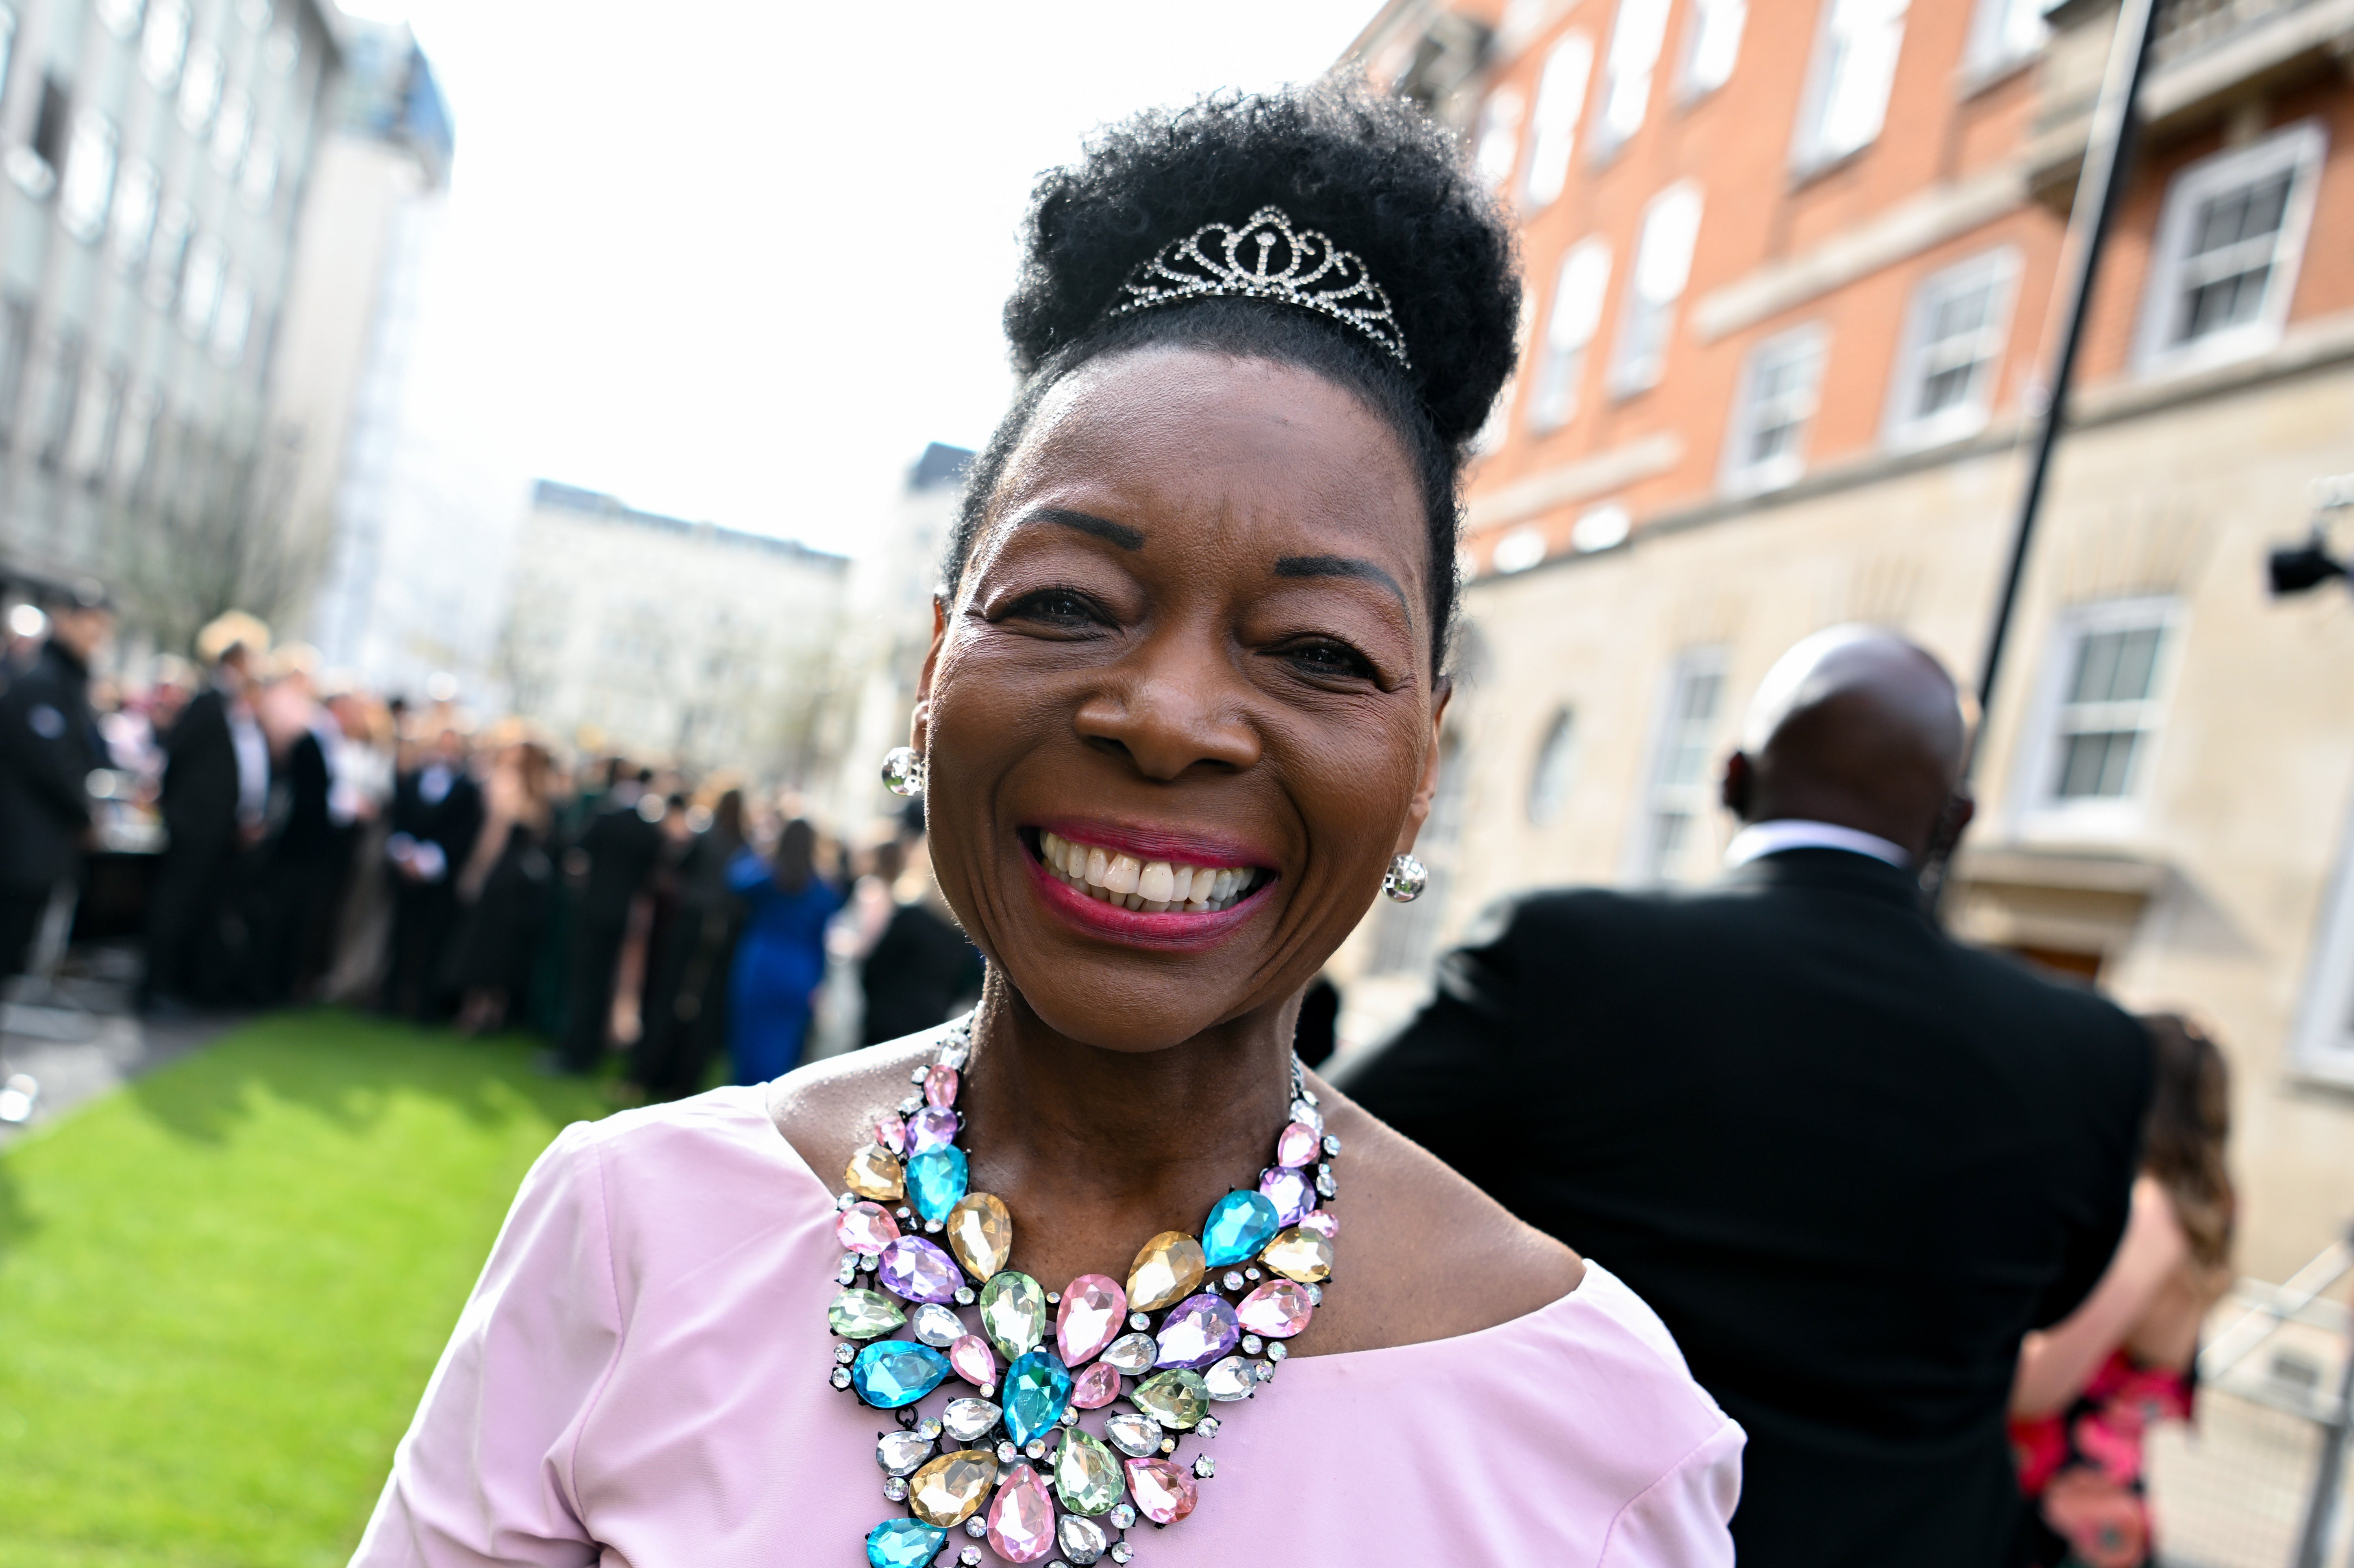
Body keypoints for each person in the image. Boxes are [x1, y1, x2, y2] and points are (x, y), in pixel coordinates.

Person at [353, 81, 1740, 1567]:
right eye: (1067, 604)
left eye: (1318, 648)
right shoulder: (633, 1223)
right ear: (932, 670)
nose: (1169, 716)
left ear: (1421, 758)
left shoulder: (1596, 1432)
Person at [1339, 623, 2152, 1568]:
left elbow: (1325, 1161)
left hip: (1583, 1531)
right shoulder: (2090, 1050)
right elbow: (2056, 1298)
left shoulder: (1569, 960)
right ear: (1954, 823)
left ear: (1730, 780)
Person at [2010, 1014, 2236, 1568]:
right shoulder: (2205, 1211)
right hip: (2106, 1508)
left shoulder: (2148, 1215)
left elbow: (2037, 1386)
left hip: (2061, 1516)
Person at [143, 612, 270, 1011]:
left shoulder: (235, 707)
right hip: (194, 828)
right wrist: (179, 816)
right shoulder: (207, 702)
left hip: (218, 831)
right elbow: (178, 758)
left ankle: (185, 986)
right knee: (174, 907)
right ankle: (156, 989)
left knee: (200, 910)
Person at [0, 582, 114, 983]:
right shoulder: (39, 680)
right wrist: (86, 813)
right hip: (20, 841)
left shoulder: (72, 682)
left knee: (21, 946)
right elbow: (53, 764)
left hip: (45, 842)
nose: (95, 637)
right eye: (89, 625)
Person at [621, 786, 748, 1102]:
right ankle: (682, 1083)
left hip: (692, 925)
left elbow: (674, 873)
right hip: (721, 931)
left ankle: (645, 1074)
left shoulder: (705, 838)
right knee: (703, 1008)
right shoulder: (743, 847)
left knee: (668, 997)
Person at [443, 734, 559, 1036]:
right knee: (504, 946)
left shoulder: (508, 785)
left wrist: (476, 872)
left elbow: (493, 836)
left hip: (501, 876)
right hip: (523, 882)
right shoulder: (542, 792)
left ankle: (473, 1011)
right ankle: (494, 1010)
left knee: (481, 942)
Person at [553, 765, 663, 1073]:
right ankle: (589, 1051)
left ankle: (573, 1051)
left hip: (593, 909)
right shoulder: (649, 832)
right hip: (621, 914)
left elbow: (577, 850)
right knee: (601, 984)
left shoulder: (607, 818)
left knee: (583, 981)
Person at [724, 816, 842, 1084]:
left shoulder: (768, 878)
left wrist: (762, 846)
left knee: (749, 1037)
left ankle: (743, 1096)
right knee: (782, 1043)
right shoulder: (823, 889)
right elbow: (820, 939)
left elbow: (735, 878)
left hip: (761, 962)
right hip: (800, 969)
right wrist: (819, 982)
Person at [383, 725, 485, 1021]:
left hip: (440, 877)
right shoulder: (414, 778)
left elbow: (465, 834)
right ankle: (391, 1000)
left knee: (433, 942)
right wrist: (405, 855)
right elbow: (399, 818)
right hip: (404, 872)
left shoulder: (469, 790)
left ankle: (424, 1008)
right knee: (399, 937)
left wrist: (428, 861)